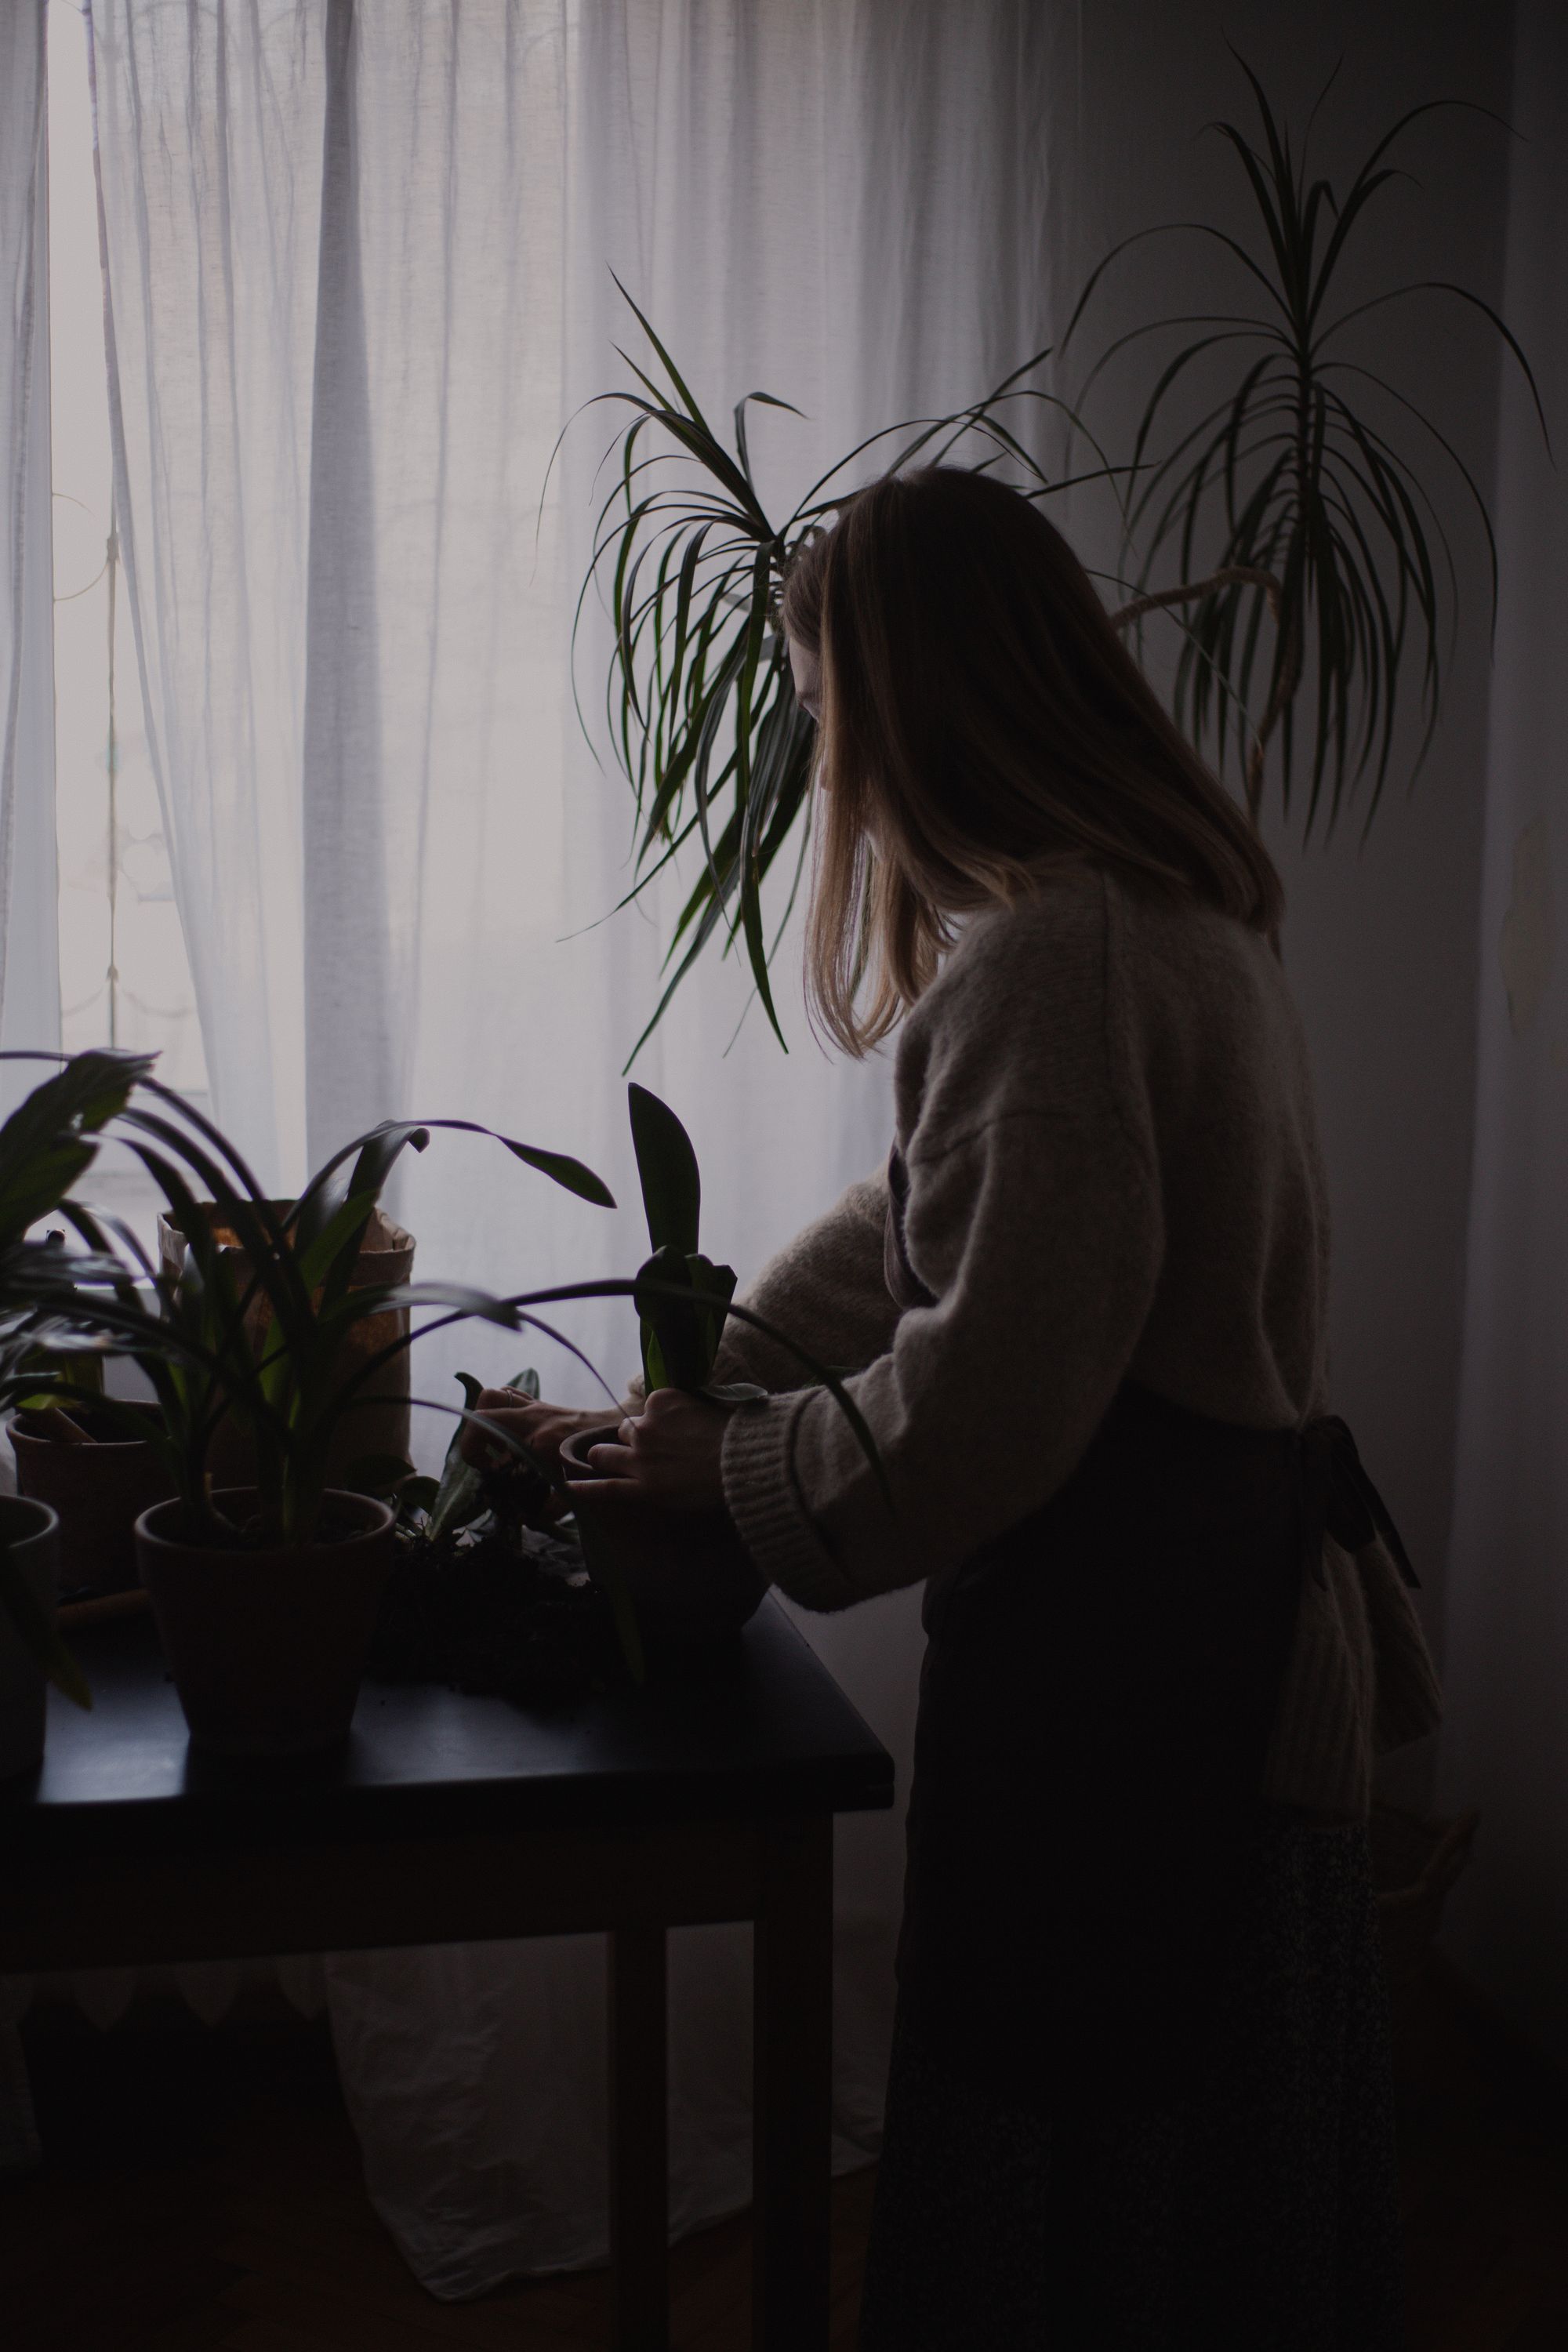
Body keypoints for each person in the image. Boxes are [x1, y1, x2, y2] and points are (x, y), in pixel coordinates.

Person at [467, 467, 1442, 2349]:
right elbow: (930, 1216)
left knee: (1080, 2223)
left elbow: (984, 1407)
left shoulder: (1060, 962)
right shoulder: (1177, 920)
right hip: (1222, 1692)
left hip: (1132, 1727)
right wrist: (707, 1373)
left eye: (821, 703)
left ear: (910, 701)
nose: (819, 755)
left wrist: (722, 1456)